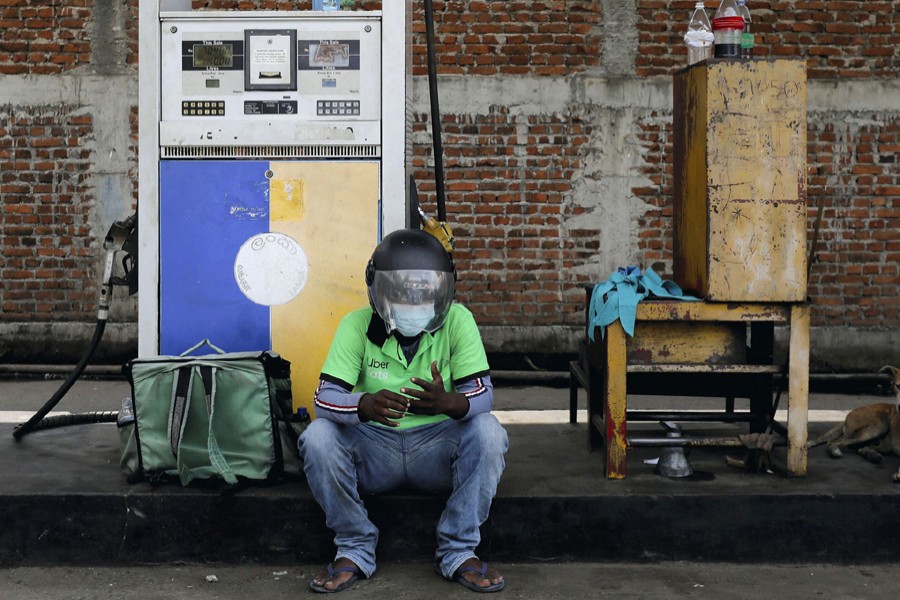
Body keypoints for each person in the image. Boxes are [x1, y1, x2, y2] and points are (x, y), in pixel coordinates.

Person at [298, 228, 509, 594]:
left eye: (426, 293)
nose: (415, 302)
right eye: (404, 293)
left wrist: (452, 403)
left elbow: (483, 395)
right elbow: (324, 399)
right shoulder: (357, 325)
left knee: (489, 431)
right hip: (374, 453)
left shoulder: (458, 321)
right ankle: (354, 547)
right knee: (316, 436)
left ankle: (459, 550)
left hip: (437, 453)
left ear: (443, 291)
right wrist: (362, 405)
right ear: (380, 291)